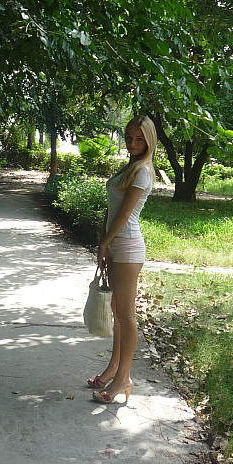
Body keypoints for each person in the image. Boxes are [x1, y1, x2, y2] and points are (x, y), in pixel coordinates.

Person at [88, 115, 157, 404]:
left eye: (139, 139)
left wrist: (106, 243)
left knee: (126, 316)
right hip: (116, 245)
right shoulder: (129, 167)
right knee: (116, 311)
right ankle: (113, 369)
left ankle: (124, 378)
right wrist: (104, 241)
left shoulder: (143, 171)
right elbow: (111, 209)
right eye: (129, 137)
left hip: (127, 247)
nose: (132, 143)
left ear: (150, 141)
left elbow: (125, 214)